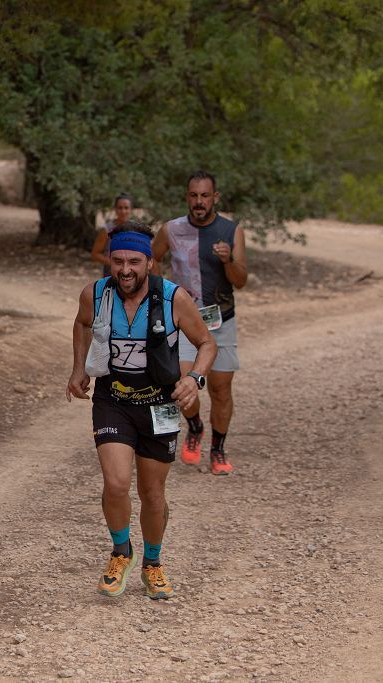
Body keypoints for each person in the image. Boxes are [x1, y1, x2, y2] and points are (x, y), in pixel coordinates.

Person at [67, 224, 216, 600]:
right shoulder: (95, 294)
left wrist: (194, 378)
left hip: (159, 403)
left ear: (150, 262)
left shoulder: (173, 298)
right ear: (109, 261)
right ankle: (121, 552)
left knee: (152, 493)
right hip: (113, 400)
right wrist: (78, 368)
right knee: (116, 483)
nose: (125, 270)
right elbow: (81, 324)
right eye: (117, 261)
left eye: (134, 261)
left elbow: (206, 343)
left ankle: (152, 562)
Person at [152, 171, 248, 475]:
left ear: (215, 197)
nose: (199, 201)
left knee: (220, 389)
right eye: (193, 195)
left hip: (221, 320)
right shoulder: (171, 229)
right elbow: (151, 260)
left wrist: (228, 260)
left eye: (205, 196)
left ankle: (218, 449)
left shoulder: (231, 230)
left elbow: (241, 281)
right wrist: (159, 297)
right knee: (182, 384)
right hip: (184, 320)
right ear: (187, 197)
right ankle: (194, 426)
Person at [91, 194, 134, 276]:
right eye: (120, 208)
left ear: (131, 209)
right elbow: (95, 254)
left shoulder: (136, 229)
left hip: (132, 273)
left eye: (126, 208)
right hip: (111, 274)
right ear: (115, 209)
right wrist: (114, 263)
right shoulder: (106, 229)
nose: (123, 211)